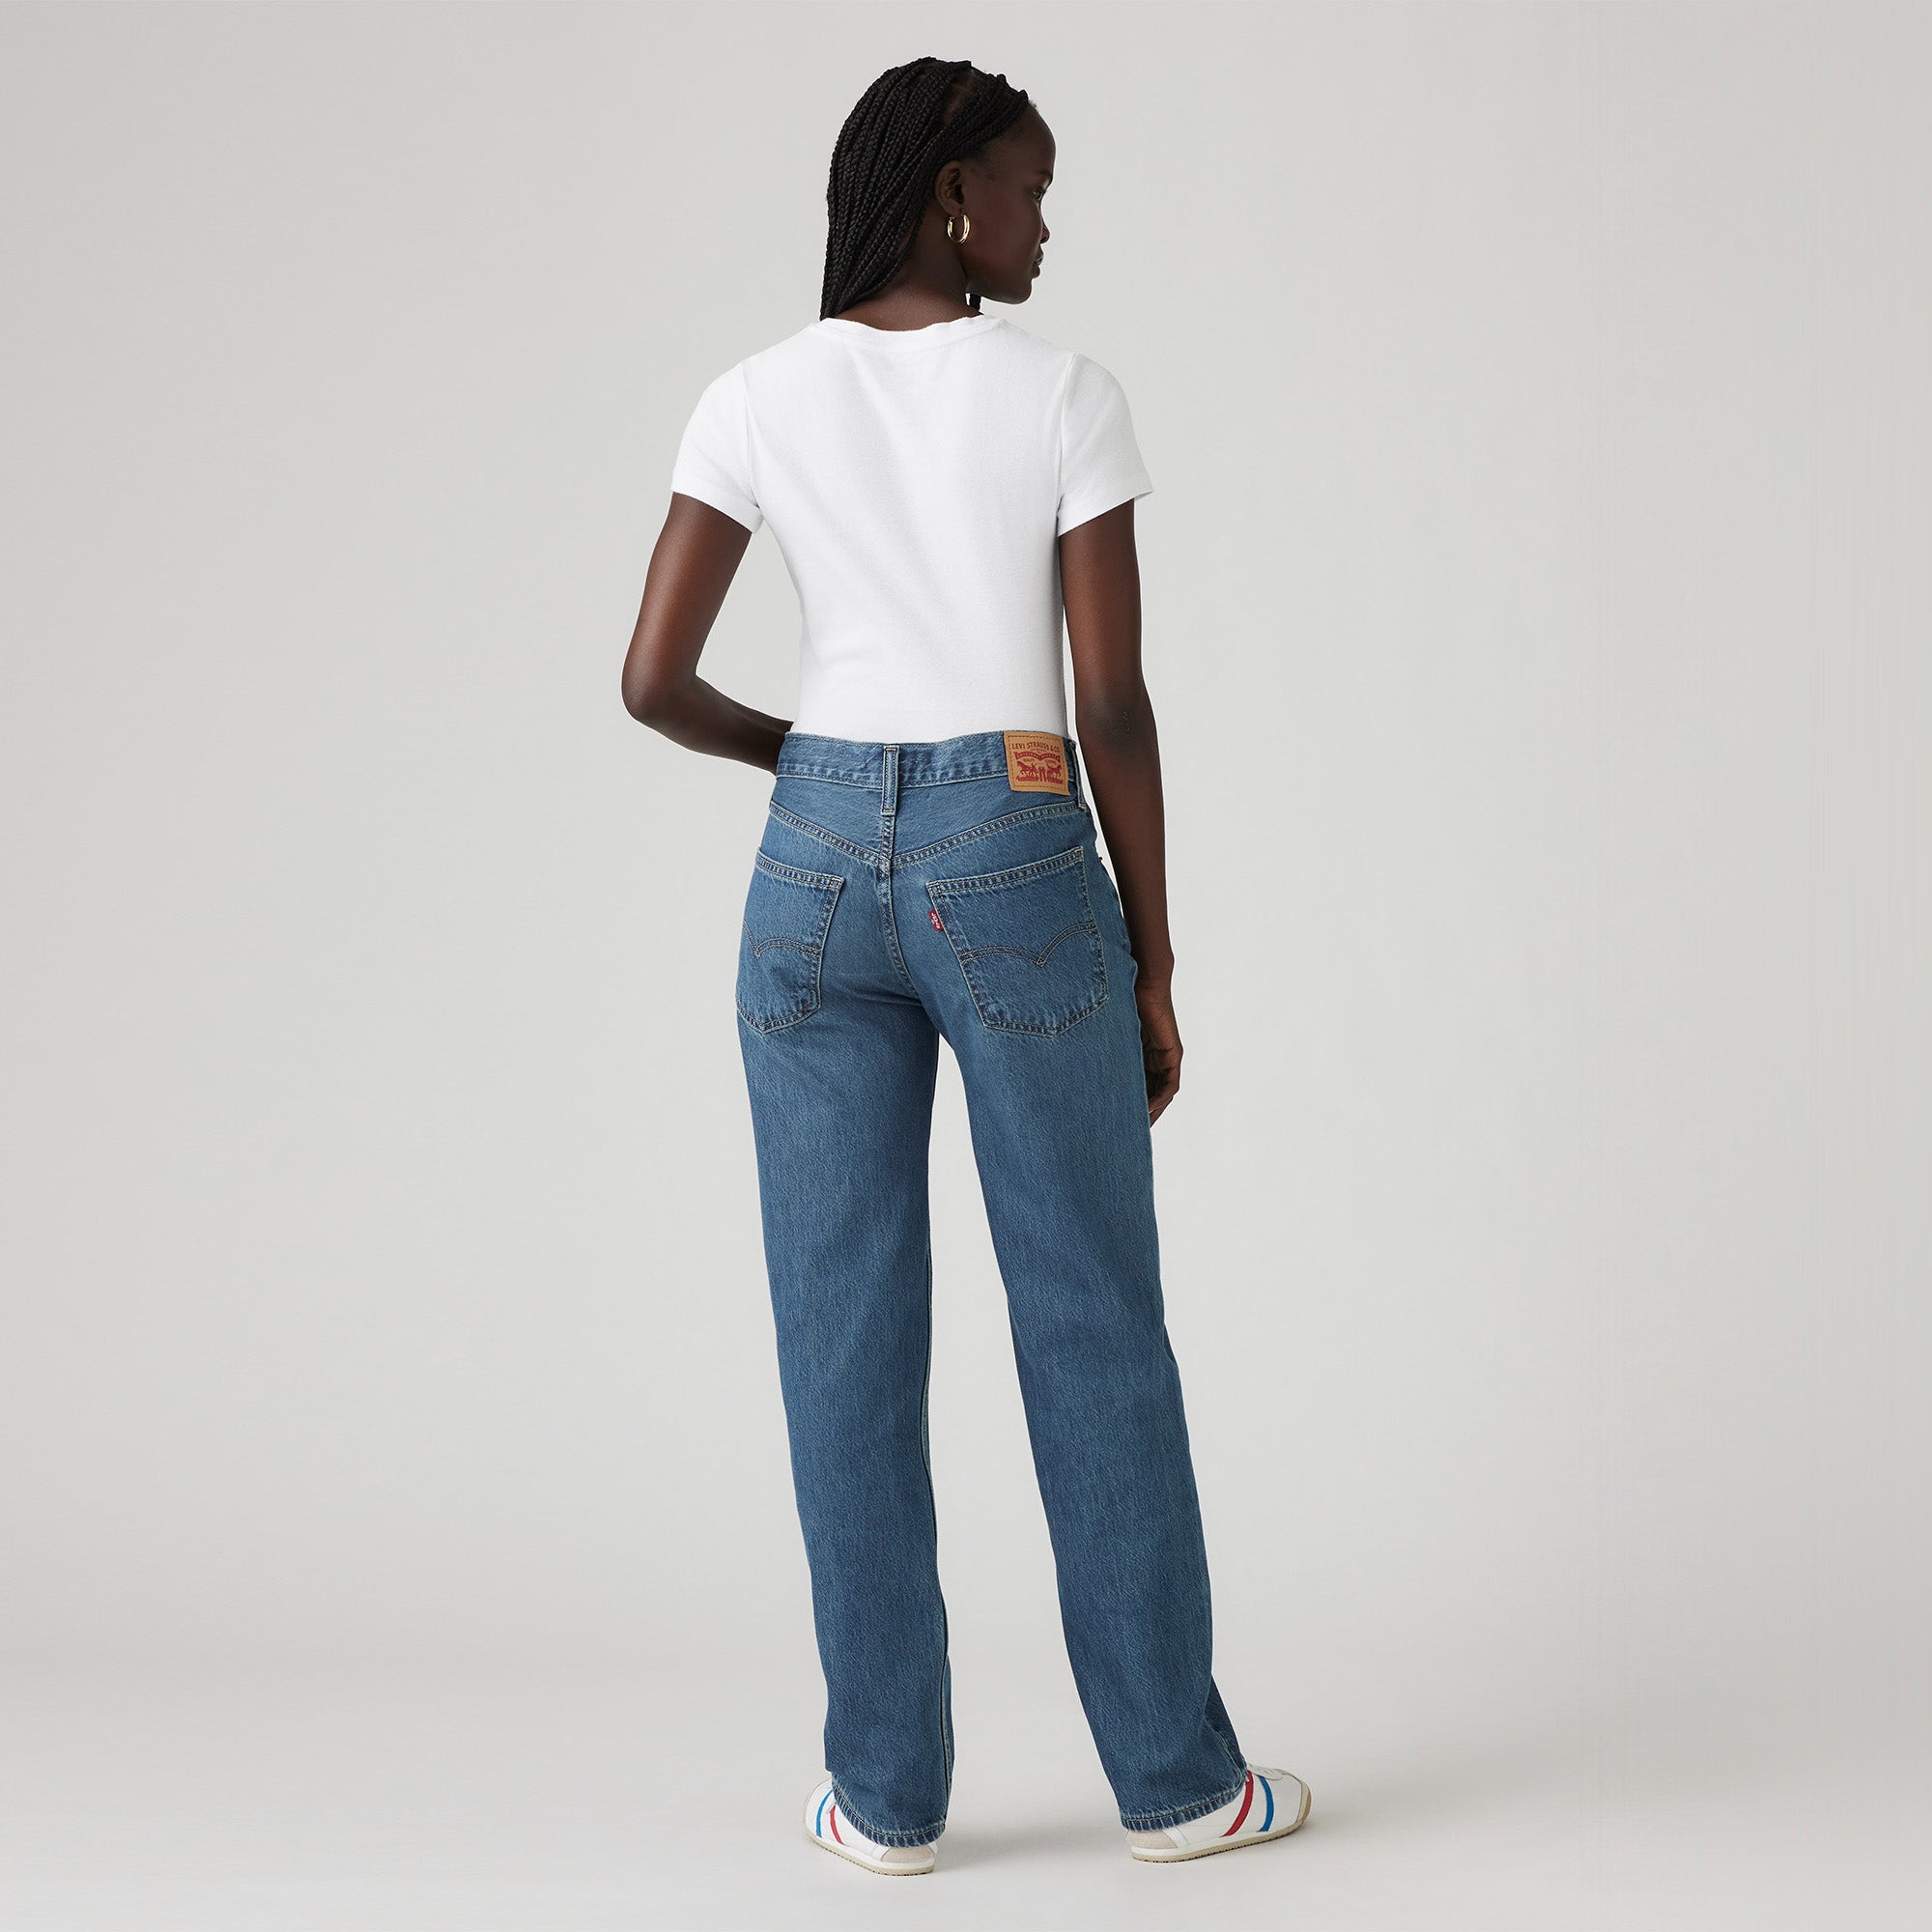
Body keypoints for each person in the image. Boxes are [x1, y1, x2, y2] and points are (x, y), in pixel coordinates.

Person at [621, 56, 1309, 1875]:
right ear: (949, 193)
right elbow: (1111, 702)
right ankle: (1181, 1788)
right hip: (1014, 847)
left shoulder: (751, 396)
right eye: (1028, 186)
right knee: (1088, 1315)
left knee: (839, 1335)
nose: (1044, 223)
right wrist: (1156, 957)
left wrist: (807, 763)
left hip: (809, 876)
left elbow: (649, 682)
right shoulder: (1064, 394)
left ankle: (886, 1801)